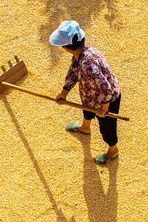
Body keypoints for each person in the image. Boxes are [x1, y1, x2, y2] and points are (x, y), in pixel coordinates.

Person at [50, 20, 122, 165]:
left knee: (107, 128)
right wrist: (64, 92)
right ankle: (85, 127)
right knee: (87, 110)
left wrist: (104, 108)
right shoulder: (81, 54)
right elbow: (73, 72)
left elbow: (106, 89)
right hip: (90, 94)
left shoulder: (87, 65)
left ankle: (112, 150)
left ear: (66, 47)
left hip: (107, 100)